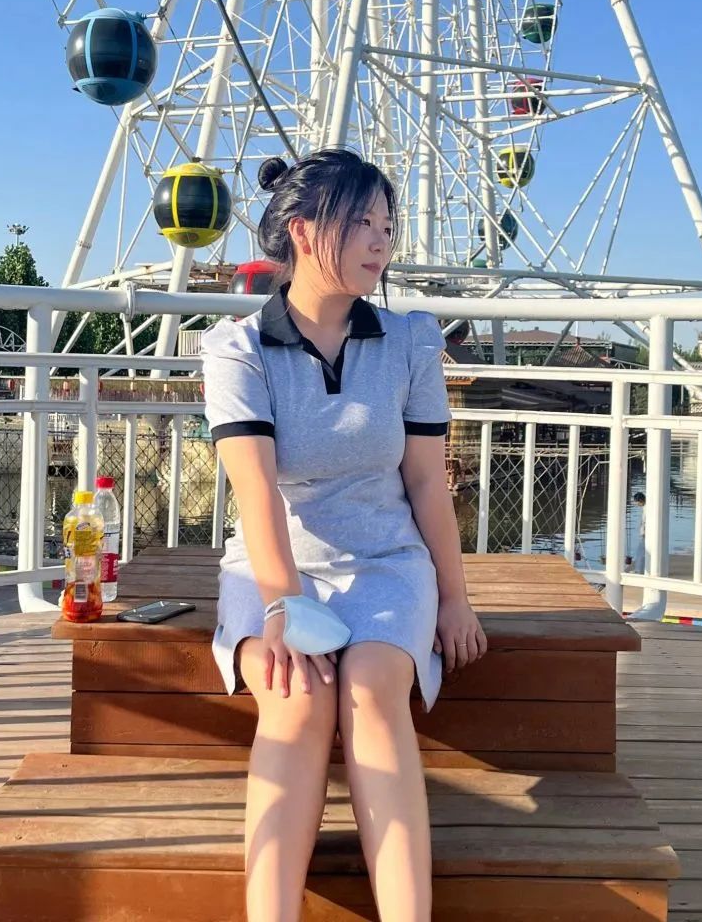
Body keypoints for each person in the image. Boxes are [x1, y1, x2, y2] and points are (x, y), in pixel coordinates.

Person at [200, 148, 488, 922]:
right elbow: (255, 487)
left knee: (370, 688)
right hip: (274, 566)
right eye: (361, 222)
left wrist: (455, 598)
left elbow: (425, 482)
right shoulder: (238, 349)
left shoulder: (410, 341)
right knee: (296, 697)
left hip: (386, 561)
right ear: (302, 230)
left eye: (386, 224)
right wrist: (283, 604)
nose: (380, 240)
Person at [625, 490, 647, 574]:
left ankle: (639, 570)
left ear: (640, 500)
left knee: (640, 552)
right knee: (641, 552)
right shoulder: (645, 507)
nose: (636, 504)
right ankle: (640, 569)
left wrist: (644, 532)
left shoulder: (646, 508)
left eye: (636, 502)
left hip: (645, 534)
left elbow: (645, 522)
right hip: (644, 533)